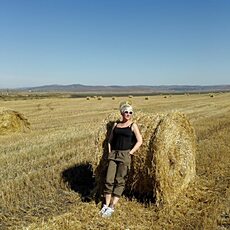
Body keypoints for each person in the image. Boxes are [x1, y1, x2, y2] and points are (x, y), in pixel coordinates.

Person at [99, 102, 142, 218]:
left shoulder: (133, 125)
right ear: (122, 113)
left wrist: (130, 153)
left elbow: (139, 141)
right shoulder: (116, 125)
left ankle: (112, 206)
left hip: (125, 155)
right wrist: (109, 152)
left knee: (120, 180)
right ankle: (105, 205)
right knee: (109, 179)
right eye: (126, 112)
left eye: (130, 112)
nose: (128, 114)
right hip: (114, 154)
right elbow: (109, 141)